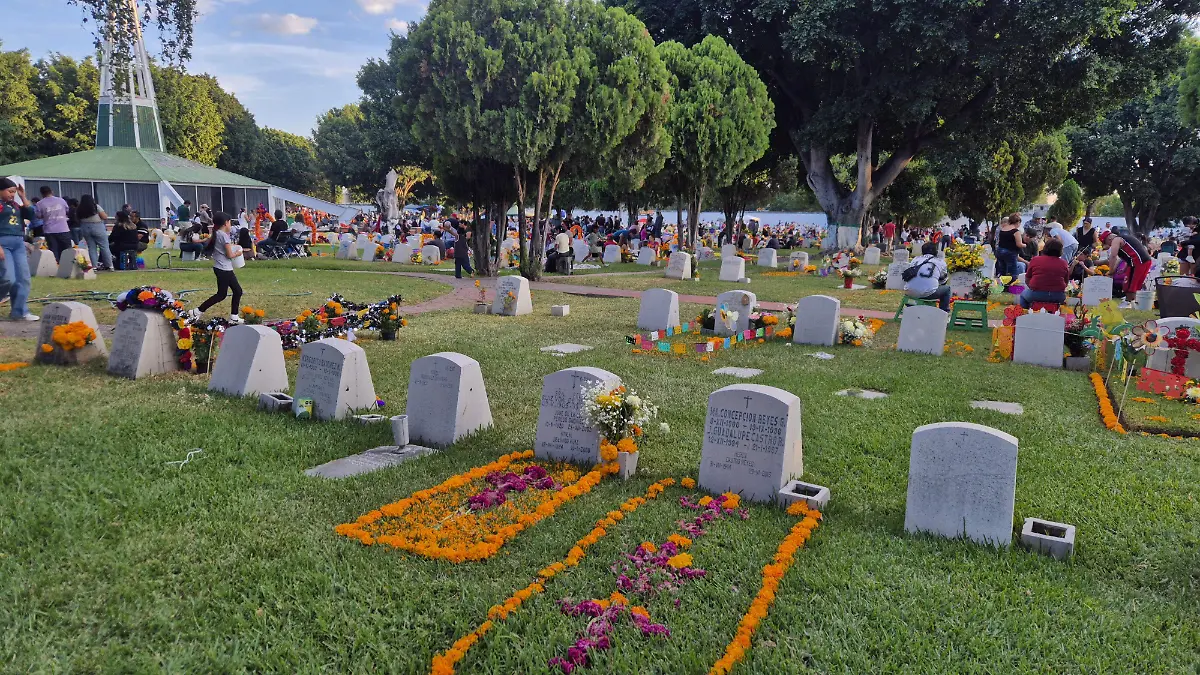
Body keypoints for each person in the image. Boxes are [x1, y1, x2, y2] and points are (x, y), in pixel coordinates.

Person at [193, 213, 245, 323]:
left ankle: (234, 317)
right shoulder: (224, 236)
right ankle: (197, 311)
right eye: (230, 222)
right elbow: (230, 255)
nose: (230, 225)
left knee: (237, 291)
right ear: (226, 223)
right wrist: (239, 253)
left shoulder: (217, 233)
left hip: (222, 267)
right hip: (224, 269)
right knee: (221, 294)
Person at [0, 179, 37, 321]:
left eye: (14, 192)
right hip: (3, 244)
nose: (12, 194)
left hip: (18, 244)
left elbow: (31, 215)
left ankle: (20, 311)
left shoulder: (15, 205)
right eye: (10, 191)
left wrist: (23, 197)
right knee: (8, 278)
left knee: (23, 278)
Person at [1101, 230, 1153, 304]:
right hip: (1144, 261)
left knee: (1131, 284)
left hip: (1138, 262)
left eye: (1107, 243)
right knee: (1132, 282)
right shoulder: (1126, 238)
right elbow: (1129, 254)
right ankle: (1131, 300)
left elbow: (1113, 256)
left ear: (1109, 238)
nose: (1109, 245)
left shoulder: (1116, 239)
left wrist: (1111, 271)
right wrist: (1125, 268)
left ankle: (1129, 302)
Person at [1020, 239, 1070, 309]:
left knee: (1022, 296)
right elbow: (1066, 282)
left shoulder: (1035, 260)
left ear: (1045, 248)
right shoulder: (1064, 263)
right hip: (1058, 296)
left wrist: (1033, 288)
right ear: (1060, 250)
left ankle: (1025, 314)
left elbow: (1027, 278)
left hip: (1036, 294)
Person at [903, 242, 951, 310]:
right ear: (936, 251)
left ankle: (911, 308)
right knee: (947, 289)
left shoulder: (915, 259)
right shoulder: (940, 262)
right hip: (928, 293)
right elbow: (943, 281)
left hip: (909, 291)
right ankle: (944, 312)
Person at [76, 194, 113, 271]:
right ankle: (109, 265)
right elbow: (104, 217)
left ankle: (94, 266)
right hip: (97, 226)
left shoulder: (79, 209)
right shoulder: (96, 207)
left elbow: (78, 219)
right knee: (104, 246)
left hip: (85, 227)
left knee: (92, 248)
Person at [35, 186, 72, 261]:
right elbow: (67, 210)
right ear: (52, 191)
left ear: (42, 194)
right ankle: (68, 265)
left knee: (53, 250)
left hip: (49, 230)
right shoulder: (61, 200)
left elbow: (39, 216)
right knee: (67, 250)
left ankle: (56, 266)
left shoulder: (40, 203)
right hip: (63, 228)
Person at [995, 213, 1025, 278]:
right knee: (1013, 273)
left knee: (1003, 271)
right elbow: (1019, 244)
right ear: (1018, 222)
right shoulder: (1016, 231)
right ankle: (1012, 287)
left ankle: (1003, 285)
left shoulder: (1003, 229)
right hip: (1010, 253)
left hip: (1000, 251)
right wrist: (1025, 245)